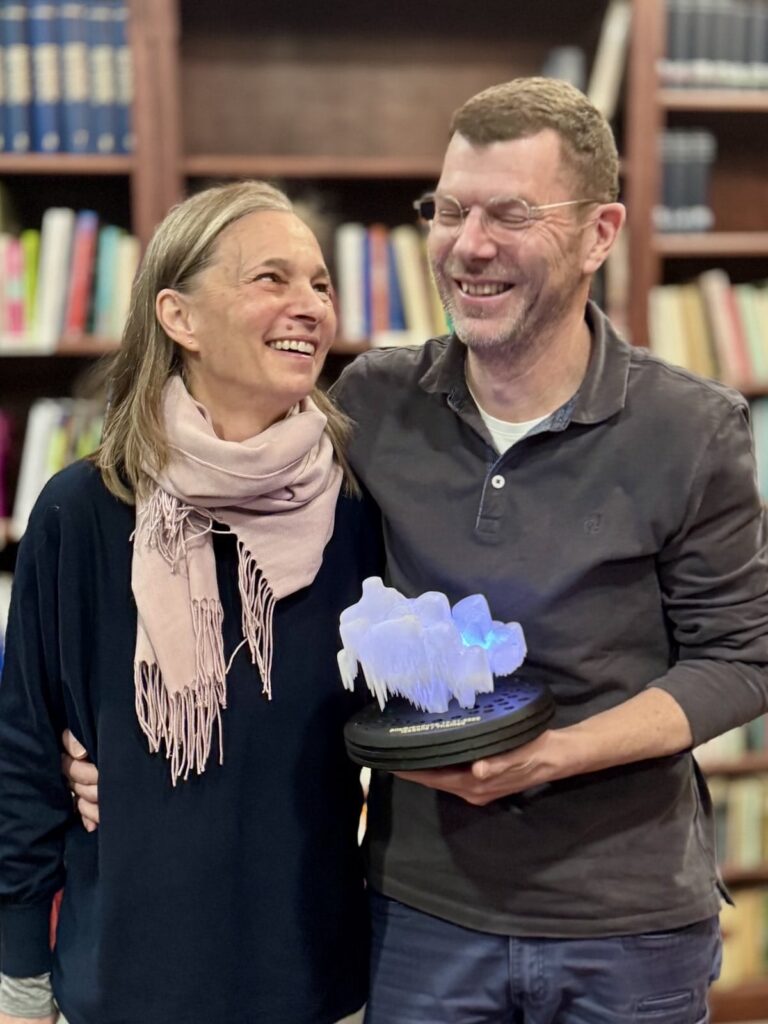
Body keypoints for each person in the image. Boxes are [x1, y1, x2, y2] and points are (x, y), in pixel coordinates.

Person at [66, 77, 768, 1023]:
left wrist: (556, 755)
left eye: (510, 214)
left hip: (628, 925)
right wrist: (118, 743)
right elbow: (228, 556)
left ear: (600, 233)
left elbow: (742, 658)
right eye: (448, 209)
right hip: (421, 917)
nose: (468, 245)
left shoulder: (693, 427)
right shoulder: (369, 405)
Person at [0, 180, 382, 1024]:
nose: (310, 305)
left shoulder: (357, 512)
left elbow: (389, 735)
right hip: (126, 984)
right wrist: (19, 982)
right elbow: (25, 753)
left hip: (316, 985)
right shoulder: (82, 512)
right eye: (271, 278)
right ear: (179, 317)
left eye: (320, 283)